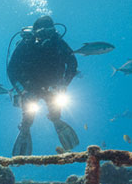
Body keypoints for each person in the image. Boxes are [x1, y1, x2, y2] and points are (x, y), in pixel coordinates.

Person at [6, 15, 79, 156]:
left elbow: (72, 63)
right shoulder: (25, 44)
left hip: (53, 88)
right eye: (41, 33)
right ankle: (25, 128)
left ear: (54, 31)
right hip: (29, 88)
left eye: (49, 32)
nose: (45, 37)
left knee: (55, 111)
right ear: (34, 32)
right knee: (28, 116)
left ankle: (56, 120)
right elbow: (11, 69)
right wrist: (22, 90)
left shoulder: (58, 43)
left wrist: (64, 84)